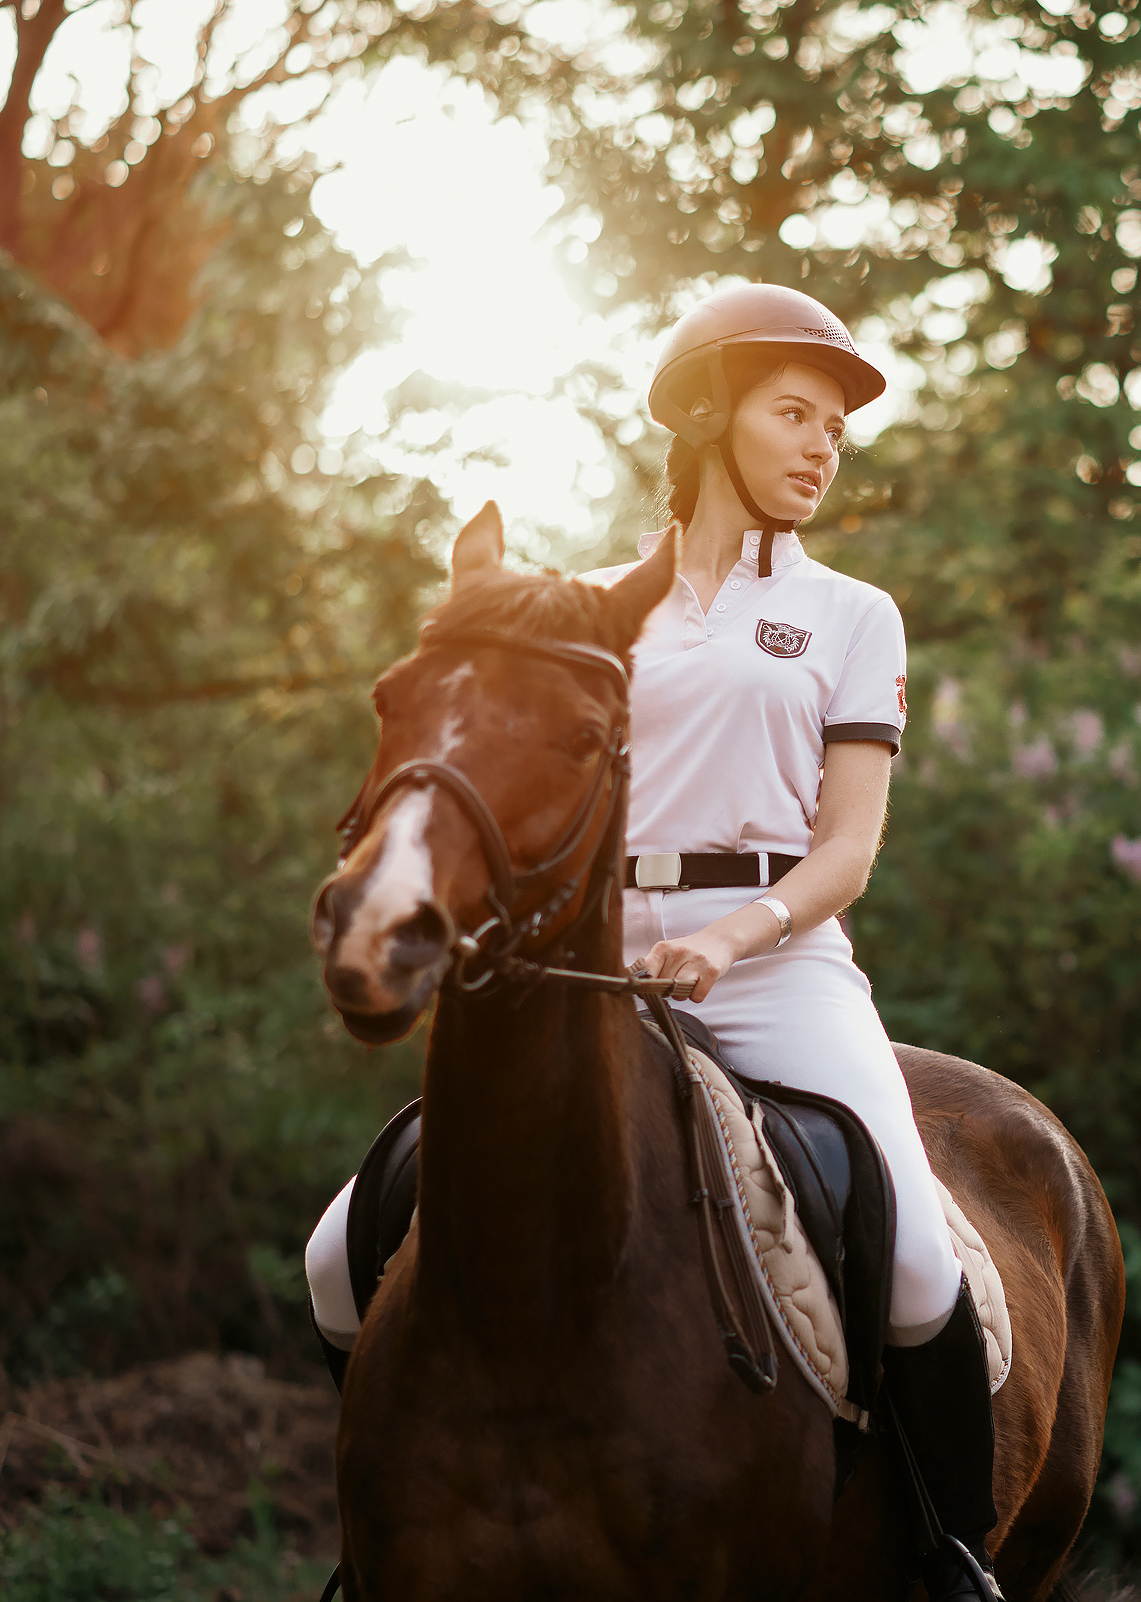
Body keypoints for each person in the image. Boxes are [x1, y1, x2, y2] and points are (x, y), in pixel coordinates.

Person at [304, 284, 1002, 1602]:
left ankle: (952, 1556)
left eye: (835, 432)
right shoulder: (588, 607)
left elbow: (848, 846)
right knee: (340, 1251)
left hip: (781, 966)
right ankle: (384, 1531)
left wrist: (737, 933)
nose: (819, 447)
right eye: (791, 414)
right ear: (705, 414)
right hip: (596, 967)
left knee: (914, 1255)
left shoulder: (853, 615)